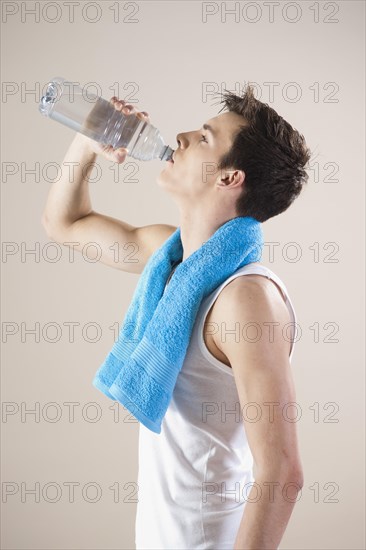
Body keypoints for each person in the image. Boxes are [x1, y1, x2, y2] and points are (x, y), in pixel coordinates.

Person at [41, 84, 310, 549]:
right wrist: (89, 139)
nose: (181, 137)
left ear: (229, 178)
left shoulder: (245, 299)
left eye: (205, 138)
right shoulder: (172, 258)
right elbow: (66, 224)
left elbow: (282, 474)